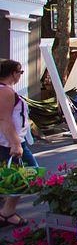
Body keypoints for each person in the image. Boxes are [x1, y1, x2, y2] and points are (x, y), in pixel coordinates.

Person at [0, 59, 37, 227]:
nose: (20, 76)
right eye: (20, 72)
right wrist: (15, 144)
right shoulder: (6, 92)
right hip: (9, 142)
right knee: (29, 172)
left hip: (8, 141)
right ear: (13, 73)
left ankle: (7, 209)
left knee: (13, 175)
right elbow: (5, 120)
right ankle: (7, 212)